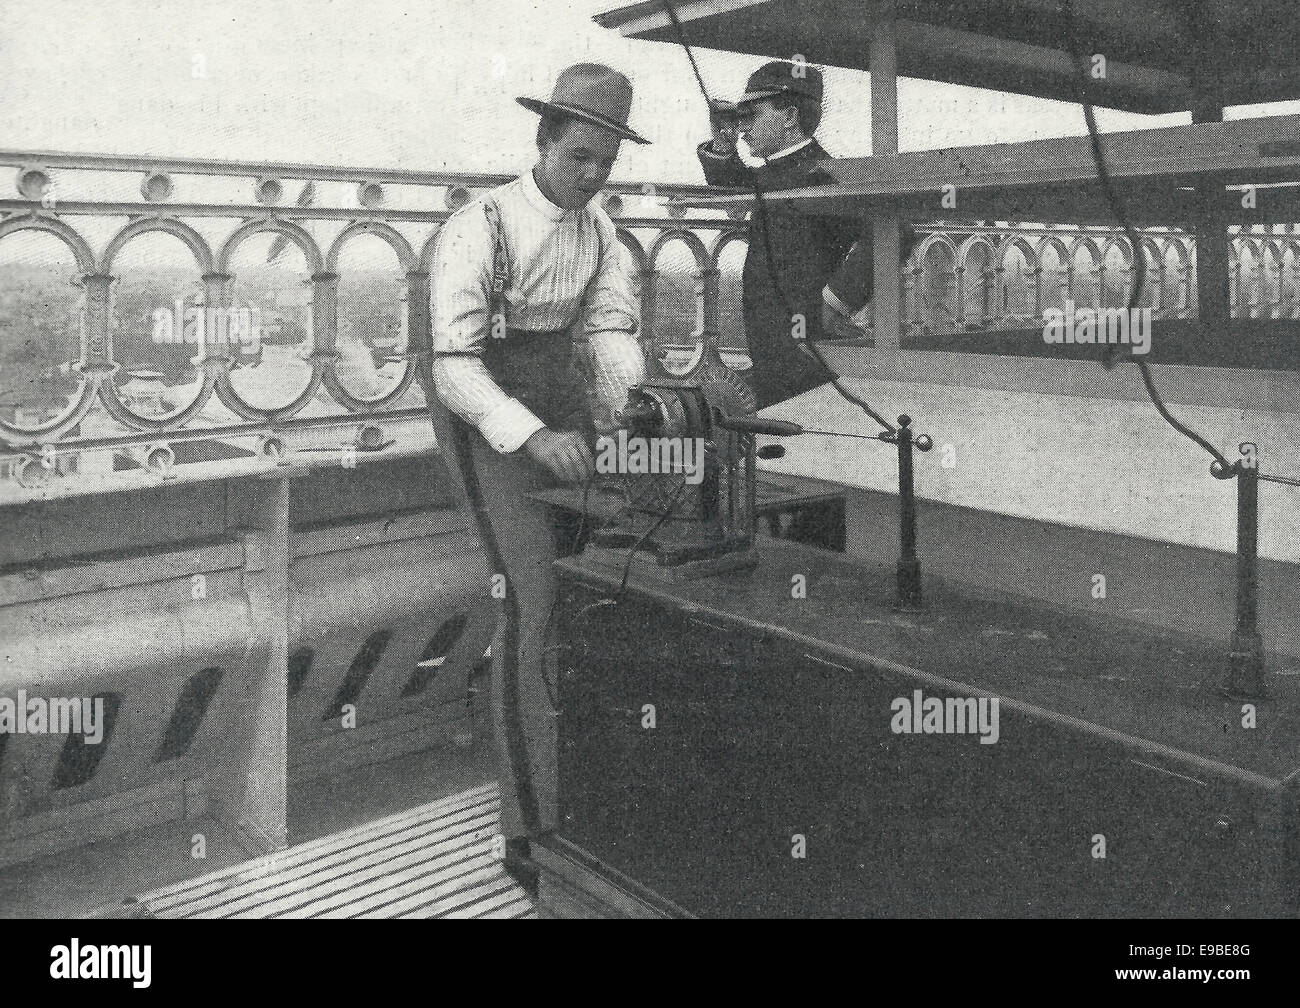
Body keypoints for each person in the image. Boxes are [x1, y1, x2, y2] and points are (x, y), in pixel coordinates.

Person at [427, 63, 648, 893]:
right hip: (486, 404)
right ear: (543, 141)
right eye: (580, 156)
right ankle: (527, 829)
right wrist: (530, 436)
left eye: (605, 162)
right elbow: (453, 363)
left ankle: (585, 795)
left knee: (600, 581)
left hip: (562, 391)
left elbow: (612, 333)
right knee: (531, 602)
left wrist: (633, 408)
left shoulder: (601, 234)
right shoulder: (478, 224)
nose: (592, 175)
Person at [699, 60, 914, 546]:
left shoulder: (821, 173)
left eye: (754, 114)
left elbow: (896, 230)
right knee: (790, 462)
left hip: (806, 349)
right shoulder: (781, 171)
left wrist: (836, 303)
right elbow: (732, 180)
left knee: (812, 471)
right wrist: (722, 139)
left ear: (790, 117)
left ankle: (814, 574)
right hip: (778, 346)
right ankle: (798, 567)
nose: (745, 124)